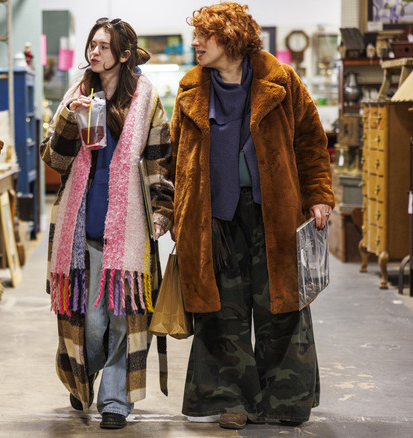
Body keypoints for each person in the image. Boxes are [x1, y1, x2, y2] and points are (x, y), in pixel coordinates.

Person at [169, 2, 334, 430]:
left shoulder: (281, 82)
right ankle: (232, 401)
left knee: (281, 303)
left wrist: (319, 196)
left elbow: (311, 143)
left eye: (204, 36)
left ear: (230, 38)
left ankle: (286, 400)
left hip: (274, 214)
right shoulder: (190, 90)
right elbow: (174, 161)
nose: (196, 43)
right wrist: (172, 211)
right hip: (215, 220)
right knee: (223, 311)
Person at [40, 17, 174, 430]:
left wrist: (162, 210)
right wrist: (68, 118)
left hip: (129, 231)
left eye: (103, 46)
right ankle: (81, 371)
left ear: (124, 53)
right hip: (82, 231)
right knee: (91, 323)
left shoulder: (146, 98)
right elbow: (54, 160)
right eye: (91, 45)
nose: (94, 53)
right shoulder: (78, 93)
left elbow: (159, 160)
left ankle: (115, 400)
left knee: (124, 319)